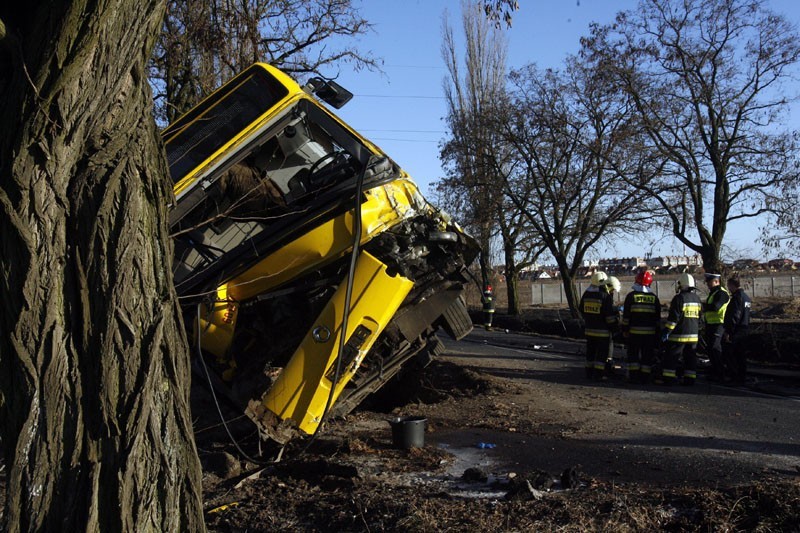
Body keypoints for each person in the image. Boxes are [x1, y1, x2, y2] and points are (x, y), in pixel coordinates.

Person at [659, 273, 702, 386]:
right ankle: (690, 379)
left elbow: (674, 319)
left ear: (680, 285)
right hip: (693, 335)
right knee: (690, 358)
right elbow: (701, 318)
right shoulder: (697, 299)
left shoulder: (679, 298)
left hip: (679, 335)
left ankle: (669, 379)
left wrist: (666, 331)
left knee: (672, 357)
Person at [621, 270, 661, 384]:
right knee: (647, 356)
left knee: (633, 355)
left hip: (634, 334)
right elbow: (657, 319)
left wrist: (624, 330)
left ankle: (634, 377)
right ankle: (645, 377)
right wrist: (658, 334)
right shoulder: (654, 298)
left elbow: (626, 318)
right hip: (650, 335)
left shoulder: (631, 297)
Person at [579, 271, 619, 381]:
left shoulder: (586, 294)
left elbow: (581, 309)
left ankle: (589, 374)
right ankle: (598, 375)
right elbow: (609, 317)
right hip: (602, 332)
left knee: (590, 353)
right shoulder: (605, 296)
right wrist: (615, 328)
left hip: (589, 330)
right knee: (601, 355)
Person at [723, 276, 752, 384]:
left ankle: (734, 377)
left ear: (731, 285)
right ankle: (741, 377)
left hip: (736, 330)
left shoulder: (737, 298)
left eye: (728, 285)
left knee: (731, 354)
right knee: (741, 355)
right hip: (745, 328)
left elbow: (735, 316)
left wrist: (729, 331)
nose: (728, 288)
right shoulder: (746, 298)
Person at [703, 272, 730, 381]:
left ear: (716, 281)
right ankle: (715, 371)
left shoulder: (722, 293)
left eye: (709, 282)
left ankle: (720, 373)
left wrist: (704, 307)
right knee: (710, 348)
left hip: (719, 324)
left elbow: (716, 307)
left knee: (715, 348)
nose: (707, 284)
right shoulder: (713, 293)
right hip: (711, 324)